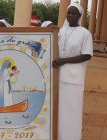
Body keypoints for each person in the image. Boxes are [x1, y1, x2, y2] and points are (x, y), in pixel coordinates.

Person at [52, 3, 93, 140]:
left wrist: (63, 61)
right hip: (58, 77)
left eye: (73, 13)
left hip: (74, 79)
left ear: (80, 15)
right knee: (59, 111)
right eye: (68, 12)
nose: (70, 15)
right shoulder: (60, 32)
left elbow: (87, 55)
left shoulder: (85, 33)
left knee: (71, 112)